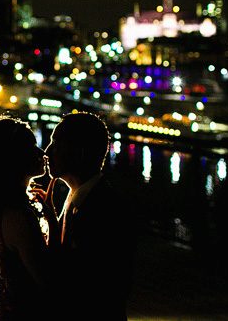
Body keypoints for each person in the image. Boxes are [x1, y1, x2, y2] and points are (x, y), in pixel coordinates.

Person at [40, 112, 137, 321]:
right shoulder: (76, 198)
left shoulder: (108, 212)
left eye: (56, 145)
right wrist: (52, 223)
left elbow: (95, 286)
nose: (47, 152)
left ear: (79, 153)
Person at [0, 115, 60, 320]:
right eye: (33, 146)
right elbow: (51, 282)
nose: (42, 152)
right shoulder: (18, 217)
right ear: (14, 157)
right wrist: (53, 221)